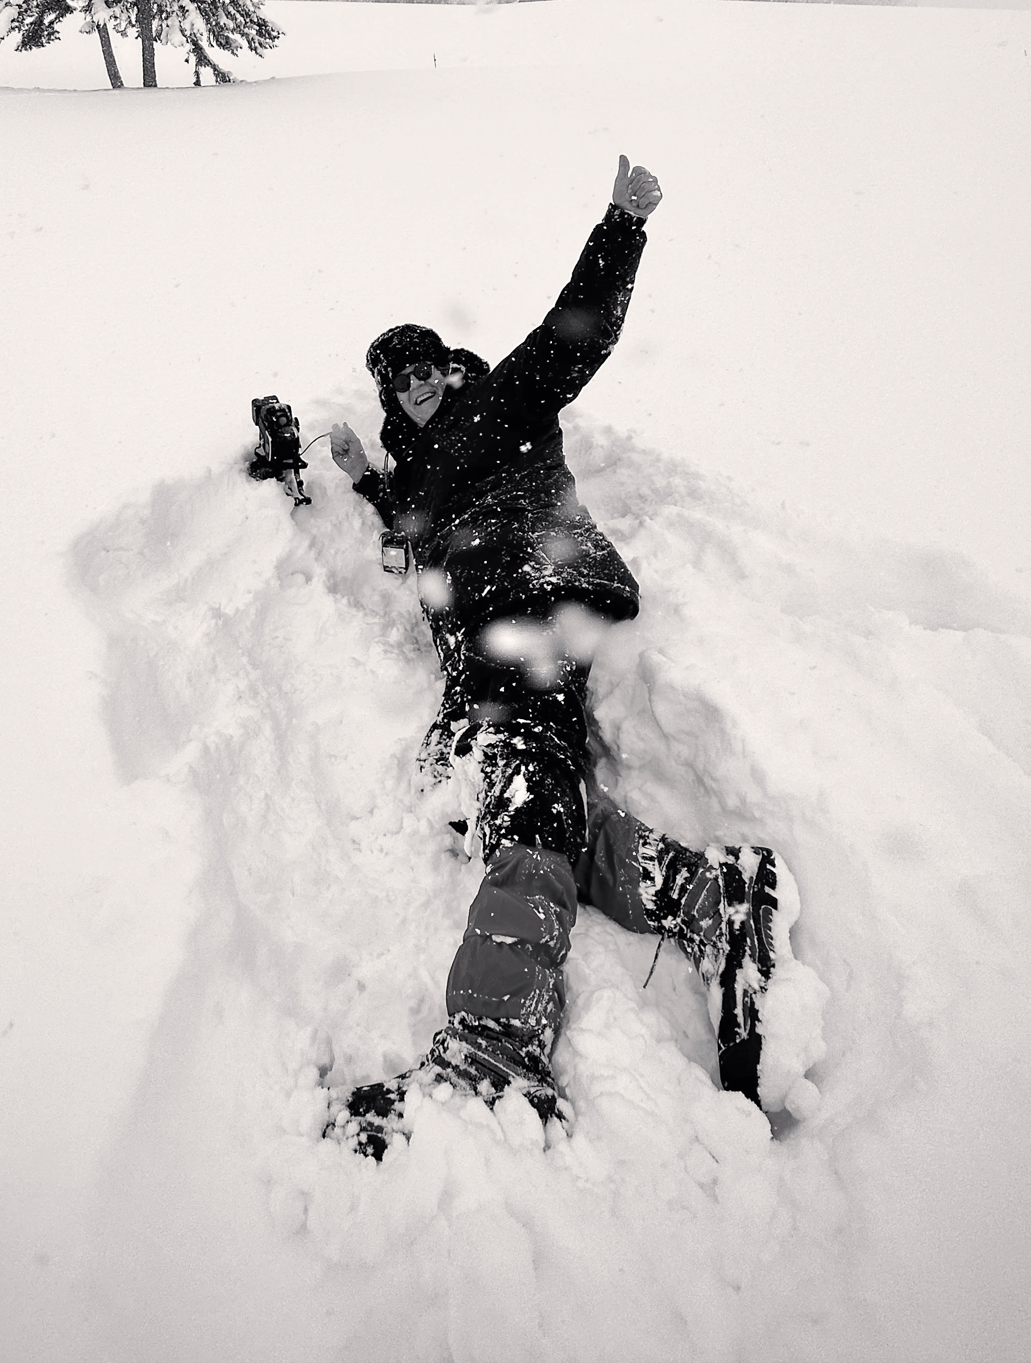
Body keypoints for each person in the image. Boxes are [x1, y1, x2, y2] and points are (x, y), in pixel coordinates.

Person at [322, 155, 797, 1160]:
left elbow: (573, 336)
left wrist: (623, 222)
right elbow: (411, 520)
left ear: (446, 367)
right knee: (531, 787)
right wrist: (365, 480)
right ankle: (715, 894)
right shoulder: (429, 473)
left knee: (524, 781)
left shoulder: (501, 401)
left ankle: (497, 1044)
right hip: (495, 635)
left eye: (419, 368)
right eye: (390, 380)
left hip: (536, 595)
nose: (408, 388)